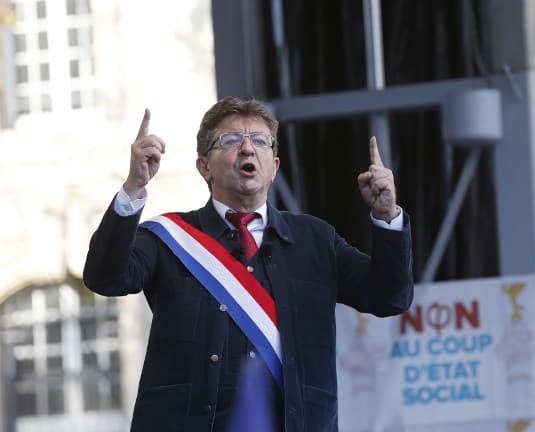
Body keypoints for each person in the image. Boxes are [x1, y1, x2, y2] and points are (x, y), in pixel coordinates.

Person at [83, 96, 414, 432]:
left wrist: (386, 216)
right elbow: (105, 278)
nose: (247, 149)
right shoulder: (169, 238)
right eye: (230, 140)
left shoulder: (315, 240)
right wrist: (133, 188)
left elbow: (390, 297)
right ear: (204, 167)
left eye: (259, 141)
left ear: (274, 166)